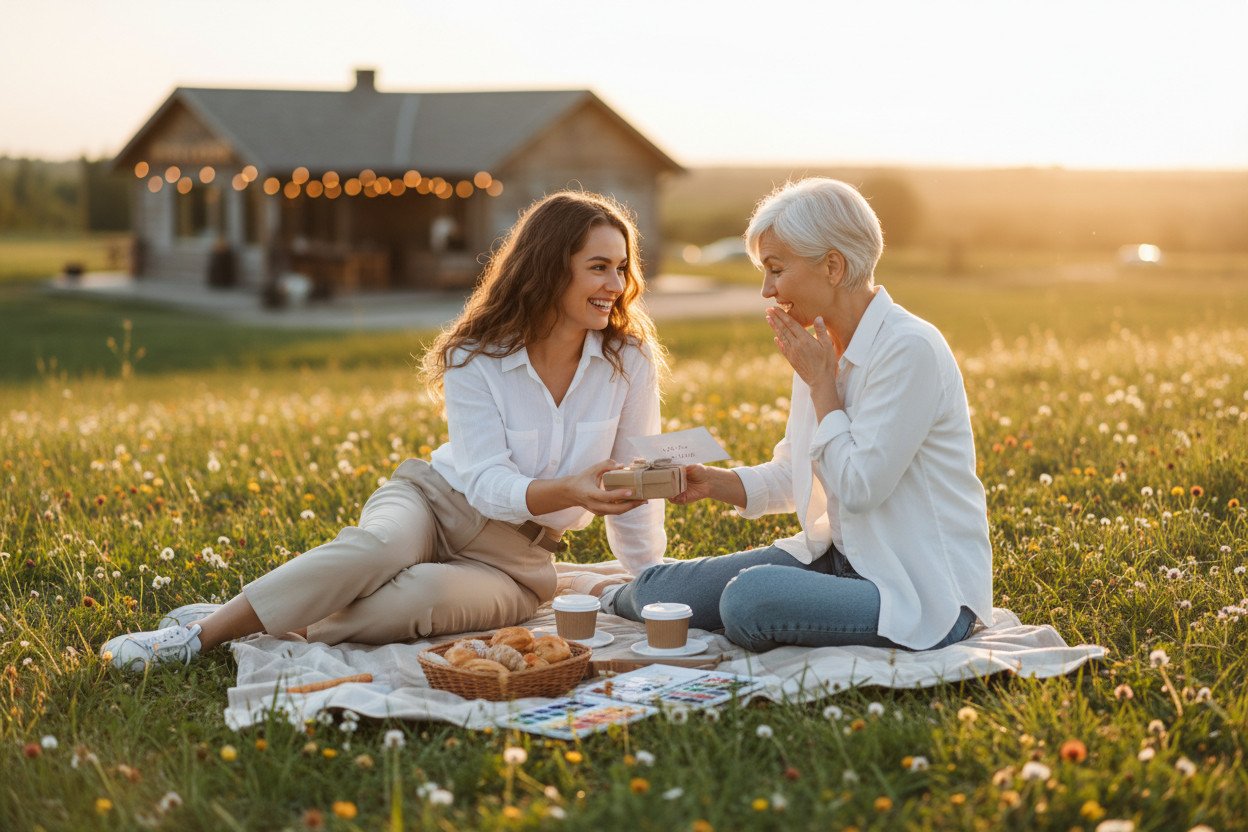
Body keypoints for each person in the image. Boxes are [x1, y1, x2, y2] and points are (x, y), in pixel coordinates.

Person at [102, 191, 667, 671]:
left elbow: (636, 485)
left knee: (416, 601)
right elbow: (486, 480)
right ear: (549, 266)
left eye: (622, 268)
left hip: (518, 562)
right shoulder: (476, 355)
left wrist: (647, 583)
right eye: (599, 266)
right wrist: (568, 489)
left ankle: (248, 618)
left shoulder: (629, 359)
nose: (616, 283)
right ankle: (196, 639)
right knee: (374, 550)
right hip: (437, 500)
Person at [598, 178, 993, 652]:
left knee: (750, 600)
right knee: (658, 588)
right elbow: (794, 473)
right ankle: (591, 595)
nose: (767, 290)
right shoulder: (820, 345)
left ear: (832, 266)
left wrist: (823, 385)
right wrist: (713, 482)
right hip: (842, 558)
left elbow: (860, 489)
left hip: (920, 589)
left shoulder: (909, 349)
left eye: (776, 269)